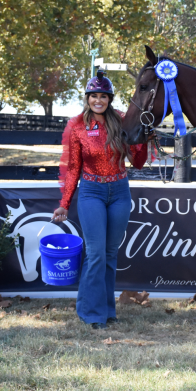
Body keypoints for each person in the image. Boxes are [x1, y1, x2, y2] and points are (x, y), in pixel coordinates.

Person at [54, 71, 148, 330]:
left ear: (109, 99)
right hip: (91, 192)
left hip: (119, 191)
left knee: (109, 254)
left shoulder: (121, 120)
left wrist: (143, 141)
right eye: (94, 95)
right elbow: (73, 168)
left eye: (103, 96)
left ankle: (106, 310)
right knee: (95, 253)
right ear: (87, 98)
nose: (98, 100)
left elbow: (137, 162)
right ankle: (90, 312)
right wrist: (64, 202)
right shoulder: (76, 126)